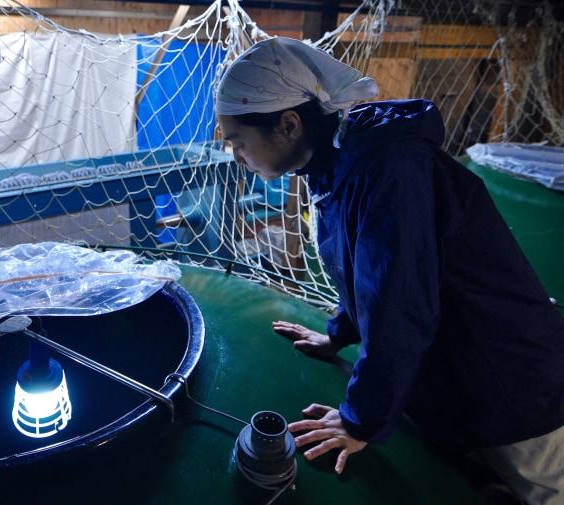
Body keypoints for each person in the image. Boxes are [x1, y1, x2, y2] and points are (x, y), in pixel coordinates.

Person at [215, 36, 564, 505]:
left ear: (289, 124)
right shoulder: (335, 166)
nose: (236, 155)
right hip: (459, 373)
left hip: (512, 383)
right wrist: (339, 333)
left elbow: (401, 305)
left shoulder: (388, 171)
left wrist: (360, 419)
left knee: (545, 489)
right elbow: (363, 275)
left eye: (238, 141)